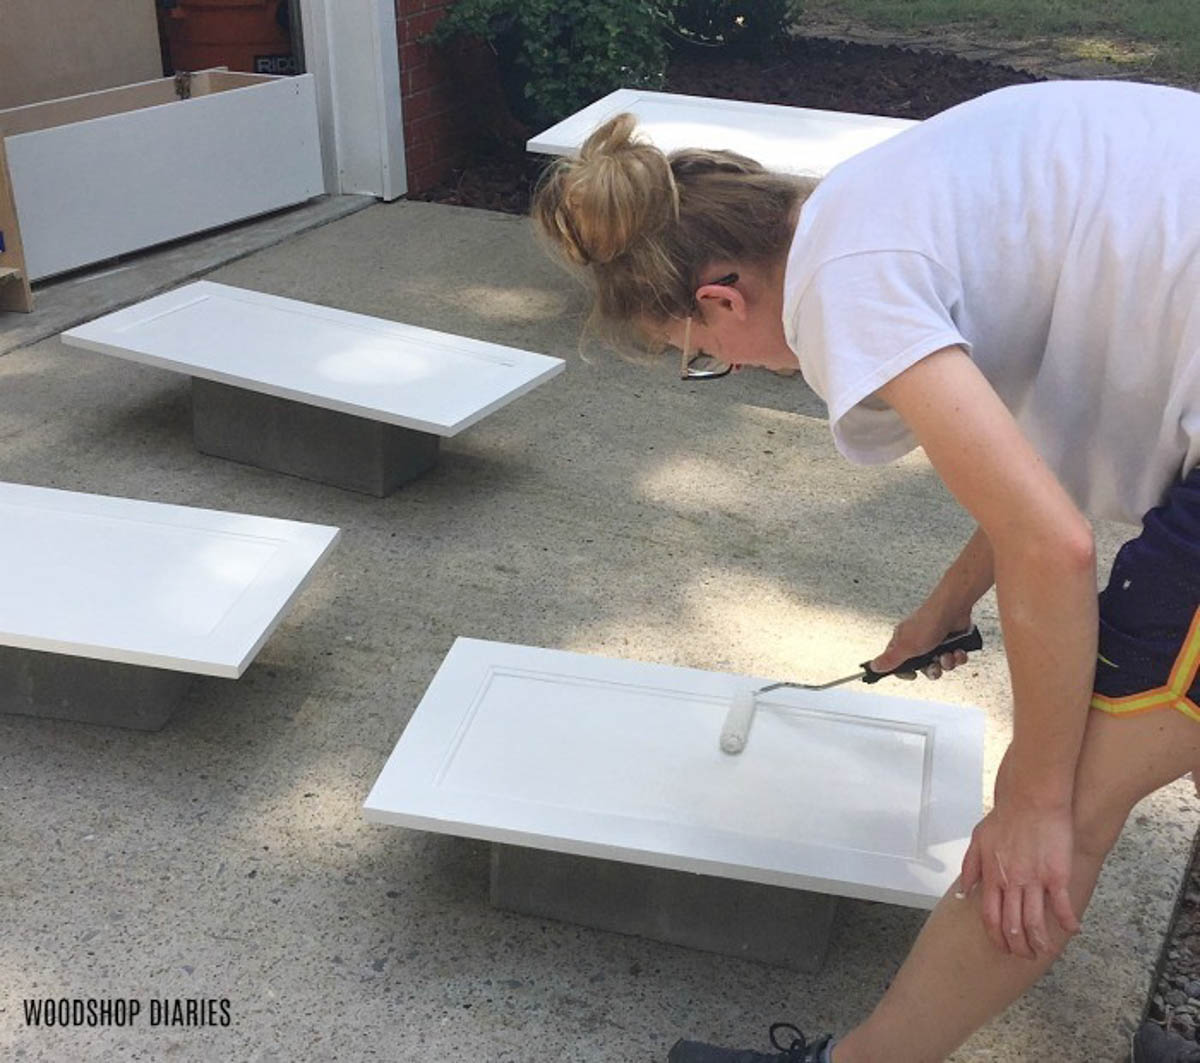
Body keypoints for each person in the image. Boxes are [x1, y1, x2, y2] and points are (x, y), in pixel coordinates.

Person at [531, 78, 1200, 1063]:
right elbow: (1034, 487)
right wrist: (945, 603)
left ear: (721, 295)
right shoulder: (875, 200)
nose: (739, 366)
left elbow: (1051, 544)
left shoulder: (846, 282)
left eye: (703, 353)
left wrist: (1028, 793)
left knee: (1064, 821)